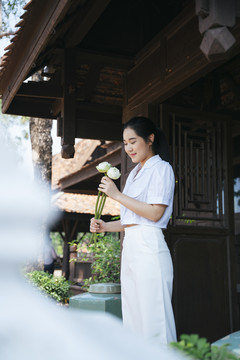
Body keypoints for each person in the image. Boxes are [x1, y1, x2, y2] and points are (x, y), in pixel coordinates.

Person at [90, 116, 176, 346]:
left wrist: (117, 195)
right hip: (131, 249)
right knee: (133, 318)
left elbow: (155, 214)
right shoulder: (133, 175)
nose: (128, 148)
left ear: (150, 139)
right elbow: (132, 219)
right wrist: (105, 226)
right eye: (125, 143)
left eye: (133, 141)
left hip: (150, 248)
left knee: (154, 319)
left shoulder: (162, 169)